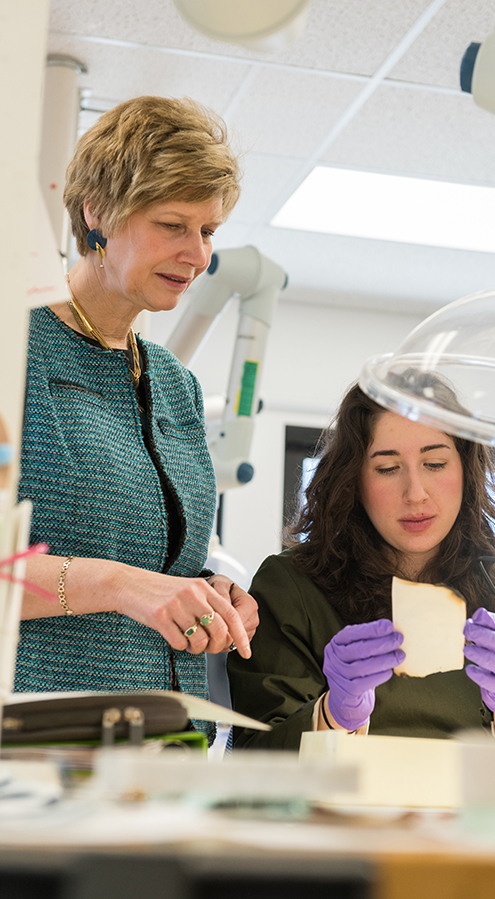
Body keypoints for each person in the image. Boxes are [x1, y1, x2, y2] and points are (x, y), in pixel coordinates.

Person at [16, 96, 258, 744]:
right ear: (98, 213)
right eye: (173, 224)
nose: (198, 253)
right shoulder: (17, 351)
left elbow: (159, 562)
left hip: (160, 741)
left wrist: (208, 591)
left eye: (208, 230)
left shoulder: (175, 384)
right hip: (37, 742)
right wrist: (123, 586)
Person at [227, 376, 495, 749]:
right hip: (338, 806)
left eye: (436, 463)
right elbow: (253, 760)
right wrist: (331, 715)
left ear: (466, 471)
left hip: (481, 805)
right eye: (387, 468)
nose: (415, 493)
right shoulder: (291, 585)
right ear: (354, 479)